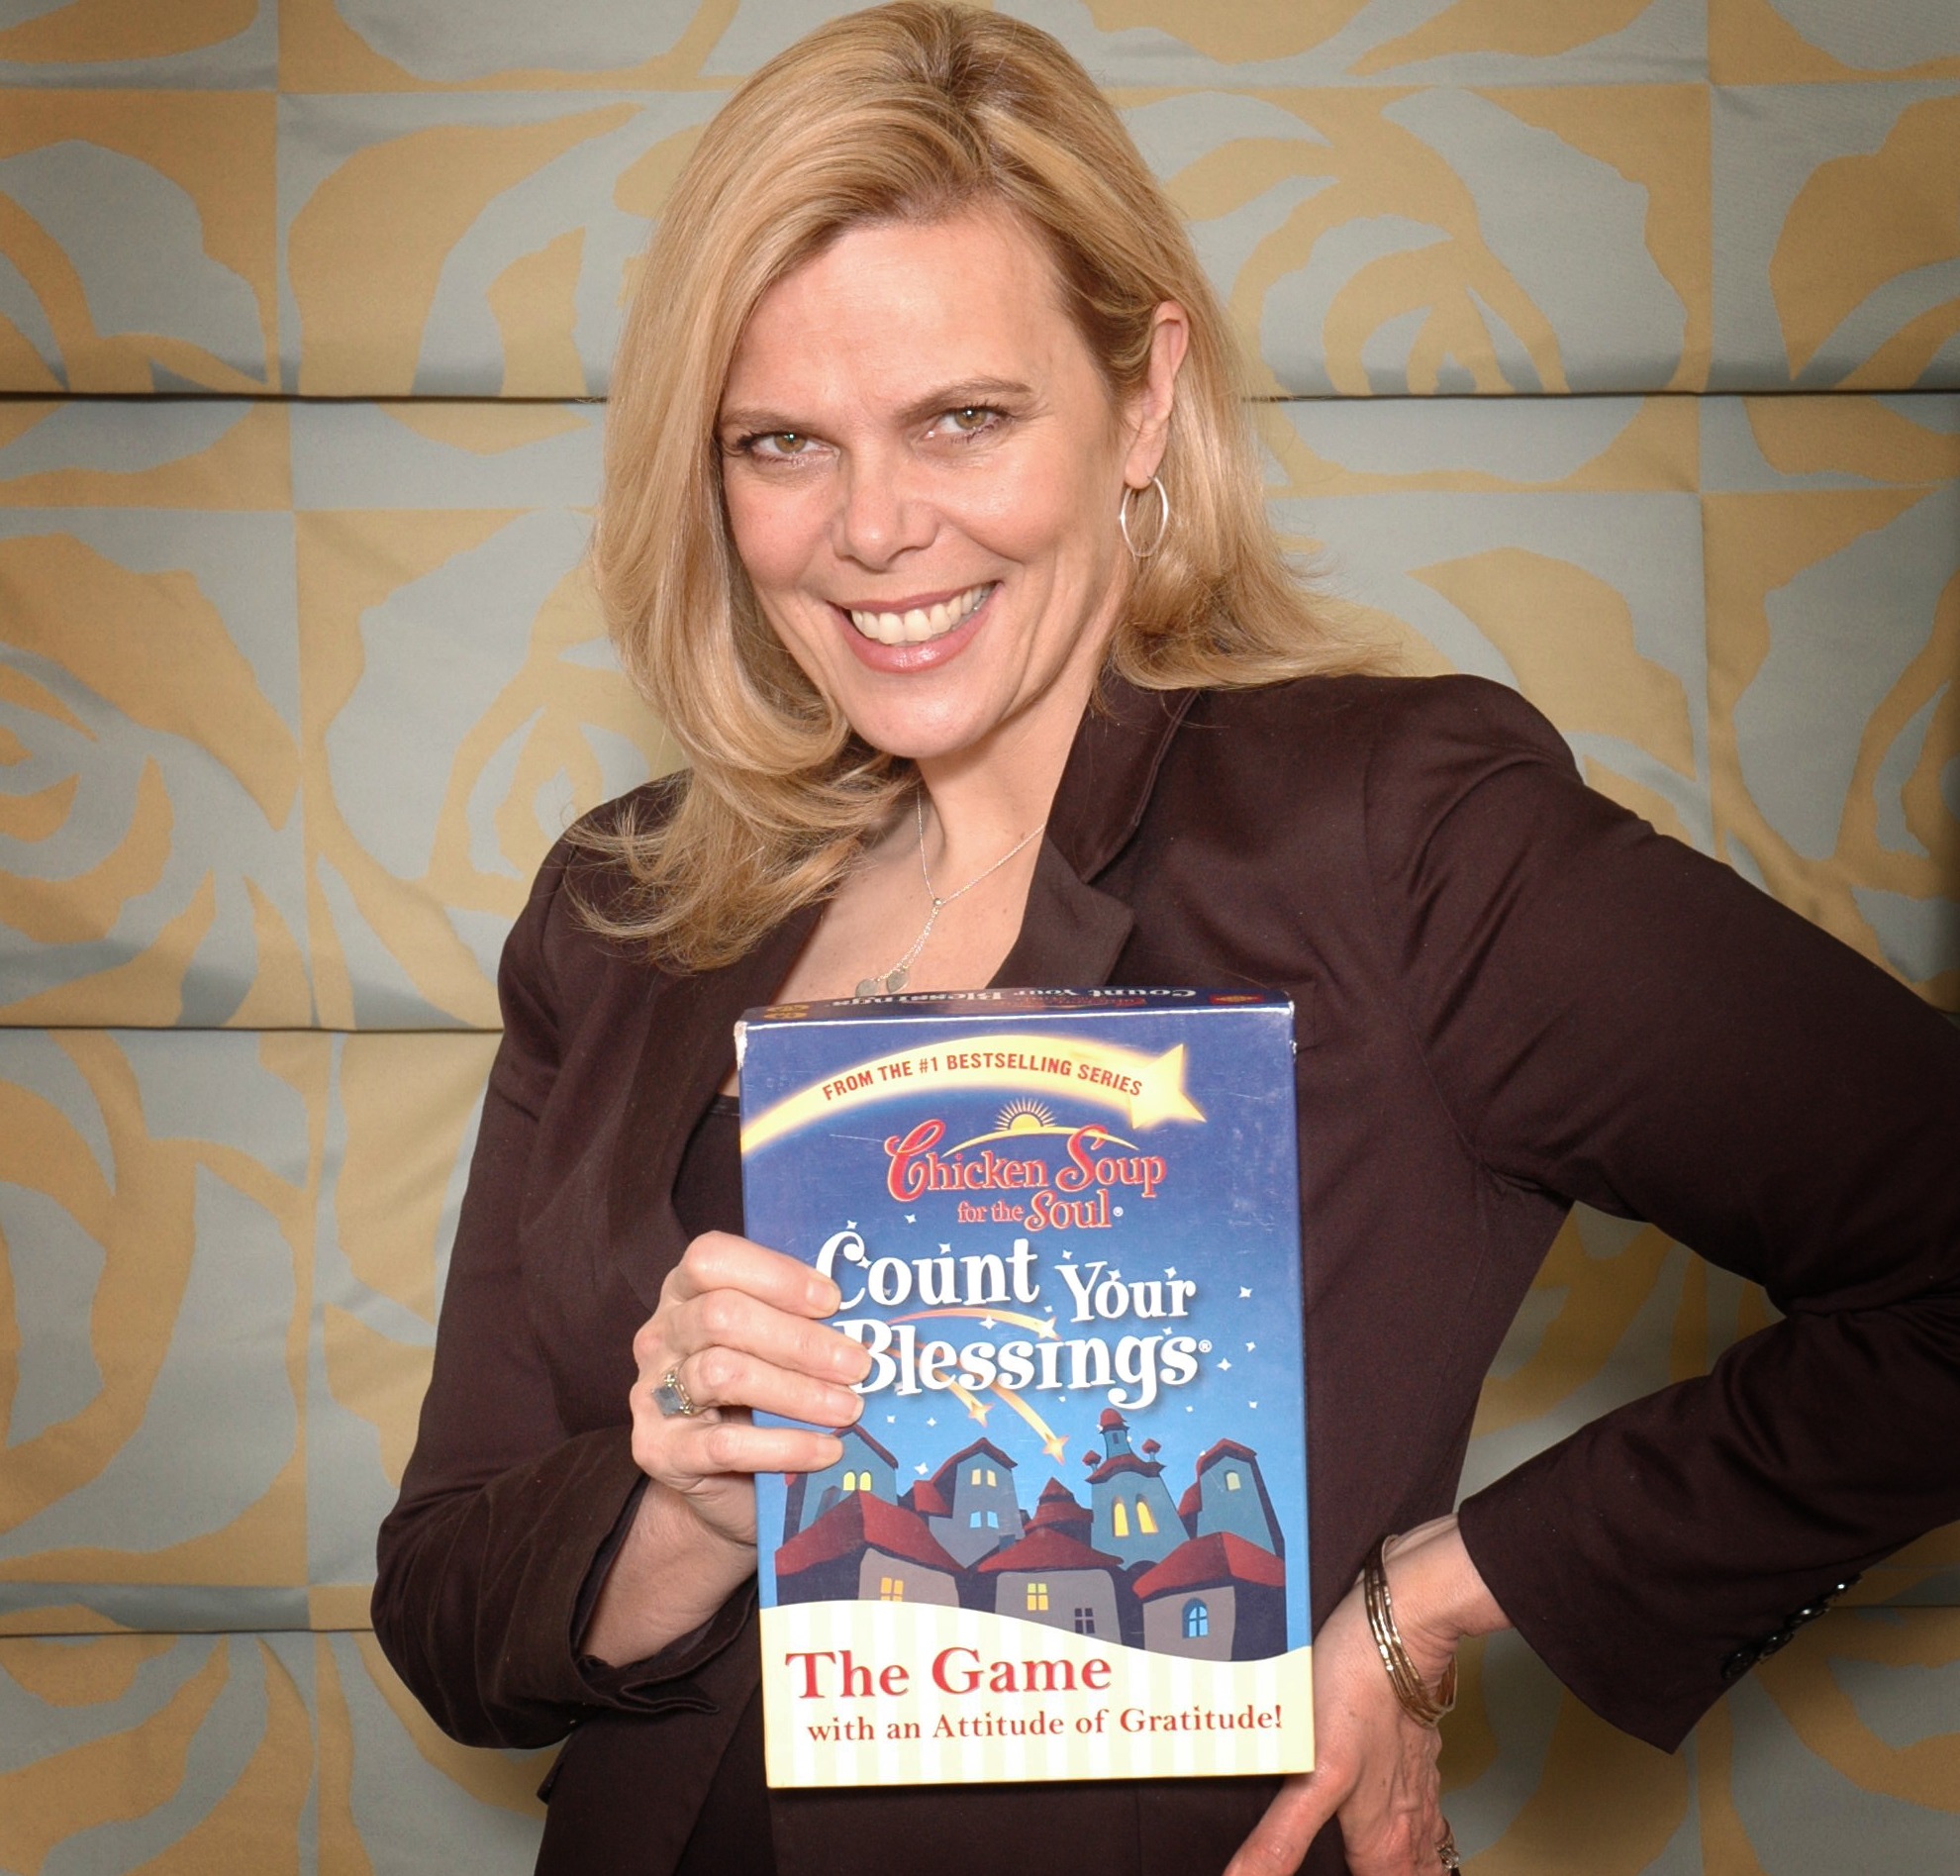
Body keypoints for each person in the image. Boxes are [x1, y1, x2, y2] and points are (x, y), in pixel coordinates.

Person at [371, 7, 1960, 1874]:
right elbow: (448, 1608)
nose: (872, 529)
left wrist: (1432, 1600)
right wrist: (690, 1512)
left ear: (1142, 401)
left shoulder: (1391, 838)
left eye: (962, 419)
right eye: (781, 442)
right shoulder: (621, 908)